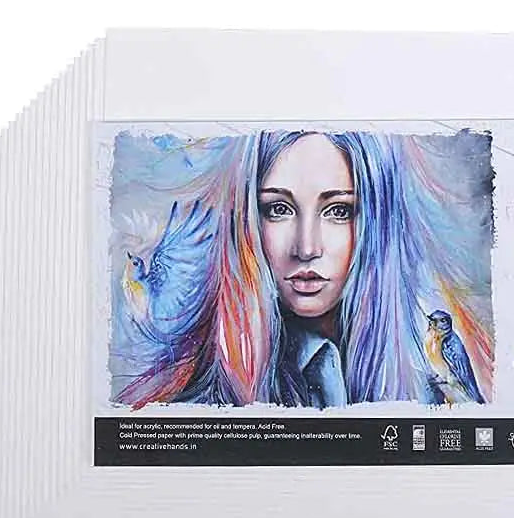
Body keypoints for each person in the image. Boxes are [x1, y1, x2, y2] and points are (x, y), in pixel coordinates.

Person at [113, 129, 492, 408]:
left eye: (338, 211)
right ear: (246, 220)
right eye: (278, 209)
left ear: (377, 226)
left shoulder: (425, 388)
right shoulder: (204, 404)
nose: (307, 248)